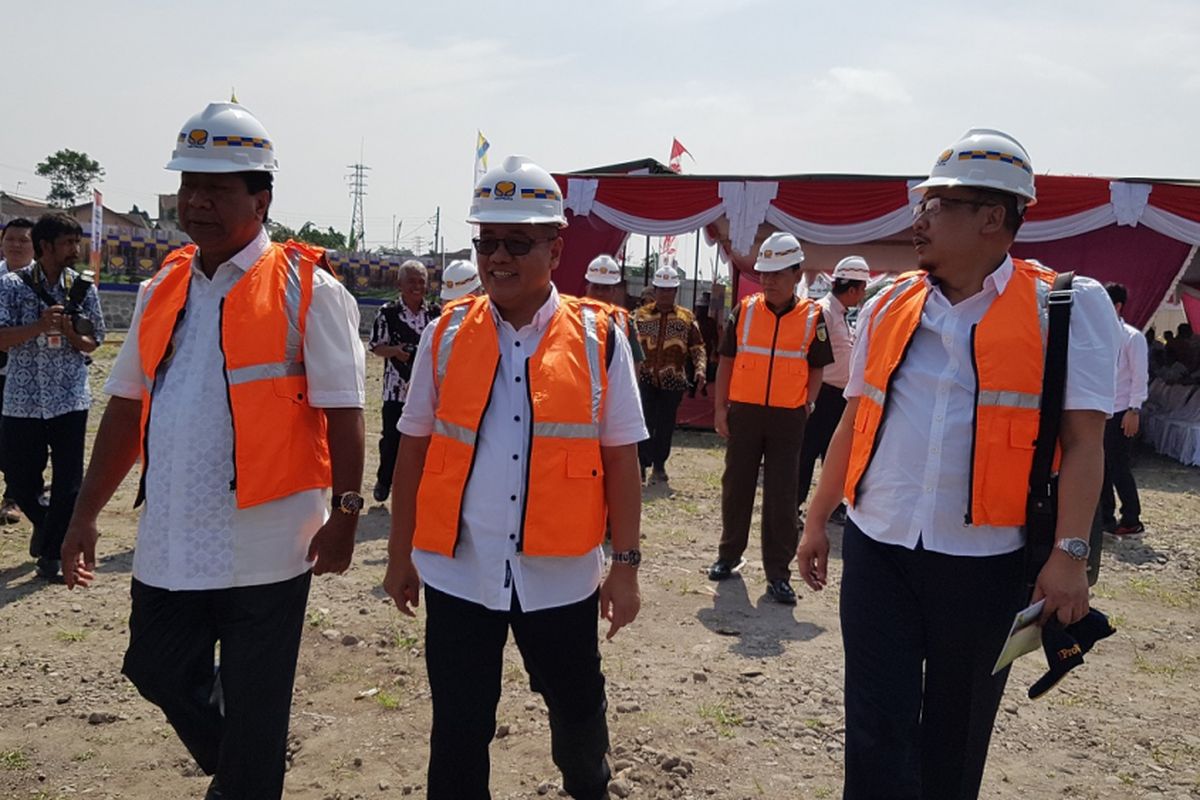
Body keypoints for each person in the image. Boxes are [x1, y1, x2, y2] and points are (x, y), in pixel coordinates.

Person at [60, 101, 366, 800]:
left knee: (258, 712)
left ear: (261, 199)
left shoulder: (310, 291)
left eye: (217, 188)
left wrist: (346, 513)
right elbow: (126, 408)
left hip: (269, 544)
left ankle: (246, 775)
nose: (196, 201)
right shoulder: (160, 286)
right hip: (171, 536)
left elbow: (346, 414)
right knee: (155, 668)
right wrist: (84, 514)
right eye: (188, 186)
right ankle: (244, 767)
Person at [796, 129, 1115, 800]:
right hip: (880, 548)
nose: (919, 221)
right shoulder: (887, 303)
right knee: (874, 728)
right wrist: (817, 516)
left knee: (957, 731)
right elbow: (858, 419)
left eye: (936, 206)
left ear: (992, 217)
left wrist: (1071, 554)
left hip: (988, 563)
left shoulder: (1065, 307)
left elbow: (1086, 443)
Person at [382, 155, 646, 800]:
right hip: (459, 572)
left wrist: (627, 565)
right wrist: (400, 552)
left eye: (517, 242)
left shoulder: (599, 338)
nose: (498, 257)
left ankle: (590, 787)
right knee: (459, 728)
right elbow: (412, 447)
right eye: (487, 241)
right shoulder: (445, 334)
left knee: (577, 711)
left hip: (558, 575)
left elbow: (621, 459)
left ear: (555, 249)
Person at [707, 232, 832, 604]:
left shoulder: (813, 317)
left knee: (782, 495)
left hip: (787, 418)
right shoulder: (743, 311)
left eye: (778, 273)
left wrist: (806, 404)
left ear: (797, 274)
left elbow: (816, 369)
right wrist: (720, 408)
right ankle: (728, 555)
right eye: (764, 273)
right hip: (745, 412)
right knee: (736, 487)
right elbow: (726, 361)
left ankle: (779, 573)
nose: (769, 280)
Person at [0, 213, 104, 581]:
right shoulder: (11, 286)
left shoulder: (82, 289)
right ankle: (45, 524)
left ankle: (52, 555)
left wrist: (72, 334)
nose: (75, 250)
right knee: (18, 478)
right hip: (22, 400)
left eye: (76, 242)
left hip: (69, 399)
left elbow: (96, 341)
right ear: (45, 247)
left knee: (69, 482)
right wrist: (39, 326)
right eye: (67, 243)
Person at [796, 255, 868, 524]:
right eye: (861, 290)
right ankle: (795, 505)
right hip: (823, 394)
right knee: (807, 451)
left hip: (839, 396)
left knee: (835, 454)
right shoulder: (823, 312)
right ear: (852, 289)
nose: (861, 296)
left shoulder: (839, 314)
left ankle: (833, 505)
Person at [369, 260, 439, 503]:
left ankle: (421, 488)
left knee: (426, 439)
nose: (417, 287)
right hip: (396, 389)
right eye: (412, 281)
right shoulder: (387, 313)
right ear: (400, 284)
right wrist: (396, 351)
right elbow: (376, 347)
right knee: (391, 439)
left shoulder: (435, 314)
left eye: (421, 282)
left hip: (426, 391)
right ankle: (384, 480)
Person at [634, 265, 706, 484]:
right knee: (643, 422)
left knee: (665, 425)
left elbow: (697, 346)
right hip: (643, 379)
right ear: (654, 290)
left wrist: (701, 368)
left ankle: (659, 465)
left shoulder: (686, 317)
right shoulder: (639, 316)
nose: (665, 293)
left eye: (670, 290)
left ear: (676, 291)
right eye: (661, 289)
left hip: (672, 381)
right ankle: (641, 464)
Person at [1102, 282, 1148, 538]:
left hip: (1122, 410)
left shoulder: (1132, 337)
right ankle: (1105, 517)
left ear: (1117, 306)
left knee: (1119, 466)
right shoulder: (1099, 334)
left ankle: (1131, 518)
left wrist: (1134, 409)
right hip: (1101, 410)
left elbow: (1140, 376)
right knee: (1101, 467)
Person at [0, 217, 37, 524]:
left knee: (19, 441)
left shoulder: (43, 282)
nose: (16, 245)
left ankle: (14, 497)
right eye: (10, 239)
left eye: (23, 240)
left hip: (26, 374)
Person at [583, 254, 643, 363]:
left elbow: (635, 361)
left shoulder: (624, 321)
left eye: (605, 288)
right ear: (587, 288)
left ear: (614, 292)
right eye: (595, 287)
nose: (599, 293)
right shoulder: (572, 315)